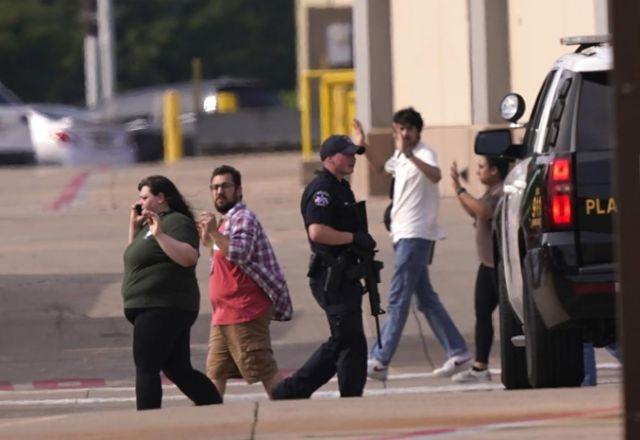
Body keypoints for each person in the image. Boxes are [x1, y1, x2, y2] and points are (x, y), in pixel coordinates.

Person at [355, 108, 471, 381]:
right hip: (403, 234)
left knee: (398, 299)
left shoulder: (423, 153)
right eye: (400, 129)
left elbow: (436, 175)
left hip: (416, 234)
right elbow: (383, 172)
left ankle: (380, 360)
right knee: (426, 299)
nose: (404, 134)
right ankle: (458, 351)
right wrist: (364, 147)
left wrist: (409, 155)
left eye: (408, 129)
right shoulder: (400, 156)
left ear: (418, 131)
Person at [271, 134, 376, 399]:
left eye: (354, 154)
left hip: (346, 274)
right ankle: (292, 389)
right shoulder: (322, 190)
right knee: (344, 337)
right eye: (347, 154)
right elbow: (317, 232)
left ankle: (352, 394)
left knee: (353, 338)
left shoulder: (341, 188)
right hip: (331, 275)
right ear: (330, 158)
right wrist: (353, 238)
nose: (353, 159)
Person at [122, 175, 222, 410]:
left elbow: (188, 257)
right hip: (156, 306)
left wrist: (159, 235)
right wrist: (134, 227)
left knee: (146, 367)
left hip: (162, 306)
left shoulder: (176, 222)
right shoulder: (152, 224)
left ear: (160, 198)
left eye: (145, 197)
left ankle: (149, 423)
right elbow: (132, 257)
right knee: (177, 369)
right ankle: (213, 405)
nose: (140, 202)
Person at [198, 165, 293, 398]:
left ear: (239, 191)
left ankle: (289, 414)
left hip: (245, 312)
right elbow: (222, 256)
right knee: (215, 374)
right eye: (215, 187)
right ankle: (209, 427)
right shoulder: (225, 222)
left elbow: (240, 252)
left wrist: (214, 233)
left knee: (266, 372)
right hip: (223, 314)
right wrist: (208, 236)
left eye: (225, 186)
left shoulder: (243, 218)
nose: (219, 192)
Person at [449, 156, 509, 383]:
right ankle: (480, 367)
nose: (478, 172)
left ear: (494, 171)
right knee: (482, 313)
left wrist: (462, 191)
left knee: (508, 316)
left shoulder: (501, 191)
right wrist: (457, 191)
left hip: (500, 265)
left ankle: (515, 360)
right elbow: (475, 213)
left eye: (482, 168)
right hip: (487, 264)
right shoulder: (490, 191)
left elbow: (485, 212)